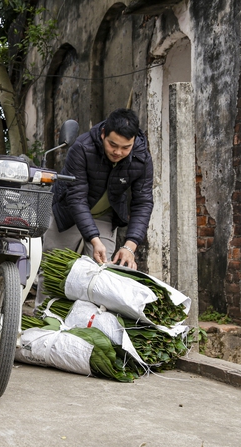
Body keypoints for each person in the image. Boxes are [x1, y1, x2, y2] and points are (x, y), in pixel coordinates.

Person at [35, 108, 154, 306]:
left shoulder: (142, 158)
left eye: (126, 148)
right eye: (112, 145)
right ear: (103, 134)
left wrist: (129, 247)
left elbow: (143, 202)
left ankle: (85, 330)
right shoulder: (82, 147)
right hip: (67, 213)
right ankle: (44, 326)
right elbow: (77, 197)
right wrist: (93, 239)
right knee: (54, 272)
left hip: (104, 217)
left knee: (101, 276)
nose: (118, 152)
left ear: (134, 142)